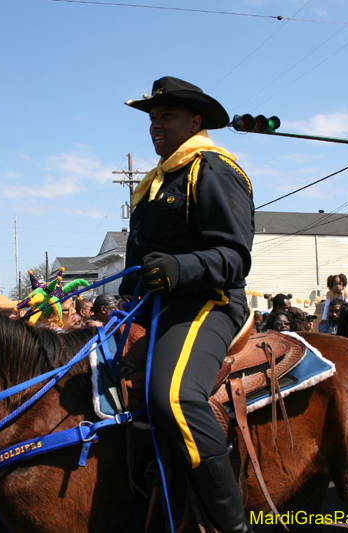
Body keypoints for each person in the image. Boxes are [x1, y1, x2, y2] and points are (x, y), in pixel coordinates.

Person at [118, 76, 254, 533]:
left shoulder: (211, 169)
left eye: (167, 116)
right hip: (154, 307)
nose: (156, 125)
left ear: (195, 121)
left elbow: (235, 257)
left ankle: (232, 524)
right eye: (153, 118)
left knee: (172, 396)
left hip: (207, 303)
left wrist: (180, 269)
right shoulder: (159, 180)